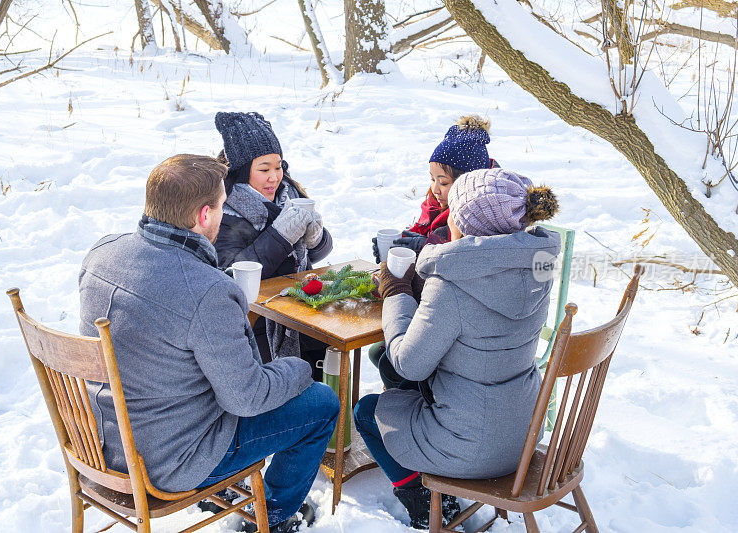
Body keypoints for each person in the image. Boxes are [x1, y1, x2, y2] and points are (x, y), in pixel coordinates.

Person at [79, 154, 338, 532]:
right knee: (320, 404)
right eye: (221, 206)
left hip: (97, 444)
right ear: (204, 215)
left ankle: (243, 496)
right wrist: (297, 368)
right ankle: (275, 517)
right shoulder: (207, 289)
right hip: (169, 463)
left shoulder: (102, 252)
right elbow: (246, 398)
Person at [354, 168, 561, 529]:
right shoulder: (539, 266)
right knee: (408, 386)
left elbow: (408, 364)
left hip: (470, 447)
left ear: (462, 224)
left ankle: (423, 502)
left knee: (368, 410)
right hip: (524, 434)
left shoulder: (451, 280)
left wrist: (397, 293)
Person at [369, 114, 500, 390]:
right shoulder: (436, 207)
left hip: (460, 334)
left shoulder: (479, 218)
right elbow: (425, 237)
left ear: (467, 184)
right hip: (434, 311)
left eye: (443, 181)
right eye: (432, 179)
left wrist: (418, 255)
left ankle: (413, 408)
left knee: (390, 362)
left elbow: (449, 271)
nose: (435, 189)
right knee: (378, 352)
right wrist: (405, 245)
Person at [214, 111, 332, 379]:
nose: (274, 177)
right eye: (264, 169)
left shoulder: (289, 192)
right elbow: (233, 272)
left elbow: (317, 253)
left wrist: (317, 239)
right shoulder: (224, 208)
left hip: (301, 304)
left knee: (331, 354)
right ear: (243, 171)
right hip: (256, 319)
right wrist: (281, 235)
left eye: (278, 167)